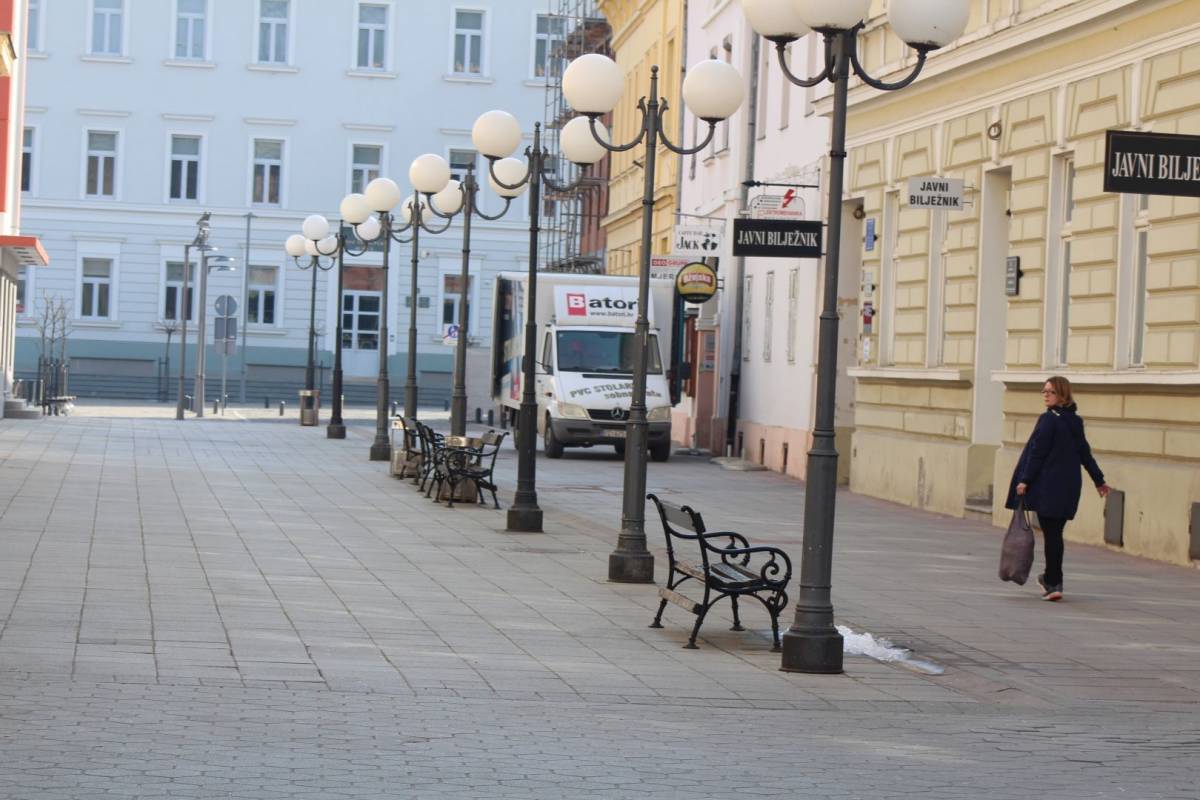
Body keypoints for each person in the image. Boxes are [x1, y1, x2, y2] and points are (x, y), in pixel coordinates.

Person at [1004, 376, 1111, 601]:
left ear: (1062, 394)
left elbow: (1037, 452)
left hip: (1049, 486)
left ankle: (1053, 582)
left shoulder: (1048, 419)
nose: (1045, 395)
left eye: (1050, 392)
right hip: (1069, 486)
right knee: (1055, 534)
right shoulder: (1075, 421)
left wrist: (1024, 480)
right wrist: (1099, 480)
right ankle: (1051, 579)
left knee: (1052, 534)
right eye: (1044, 391)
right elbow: (1085, 454)